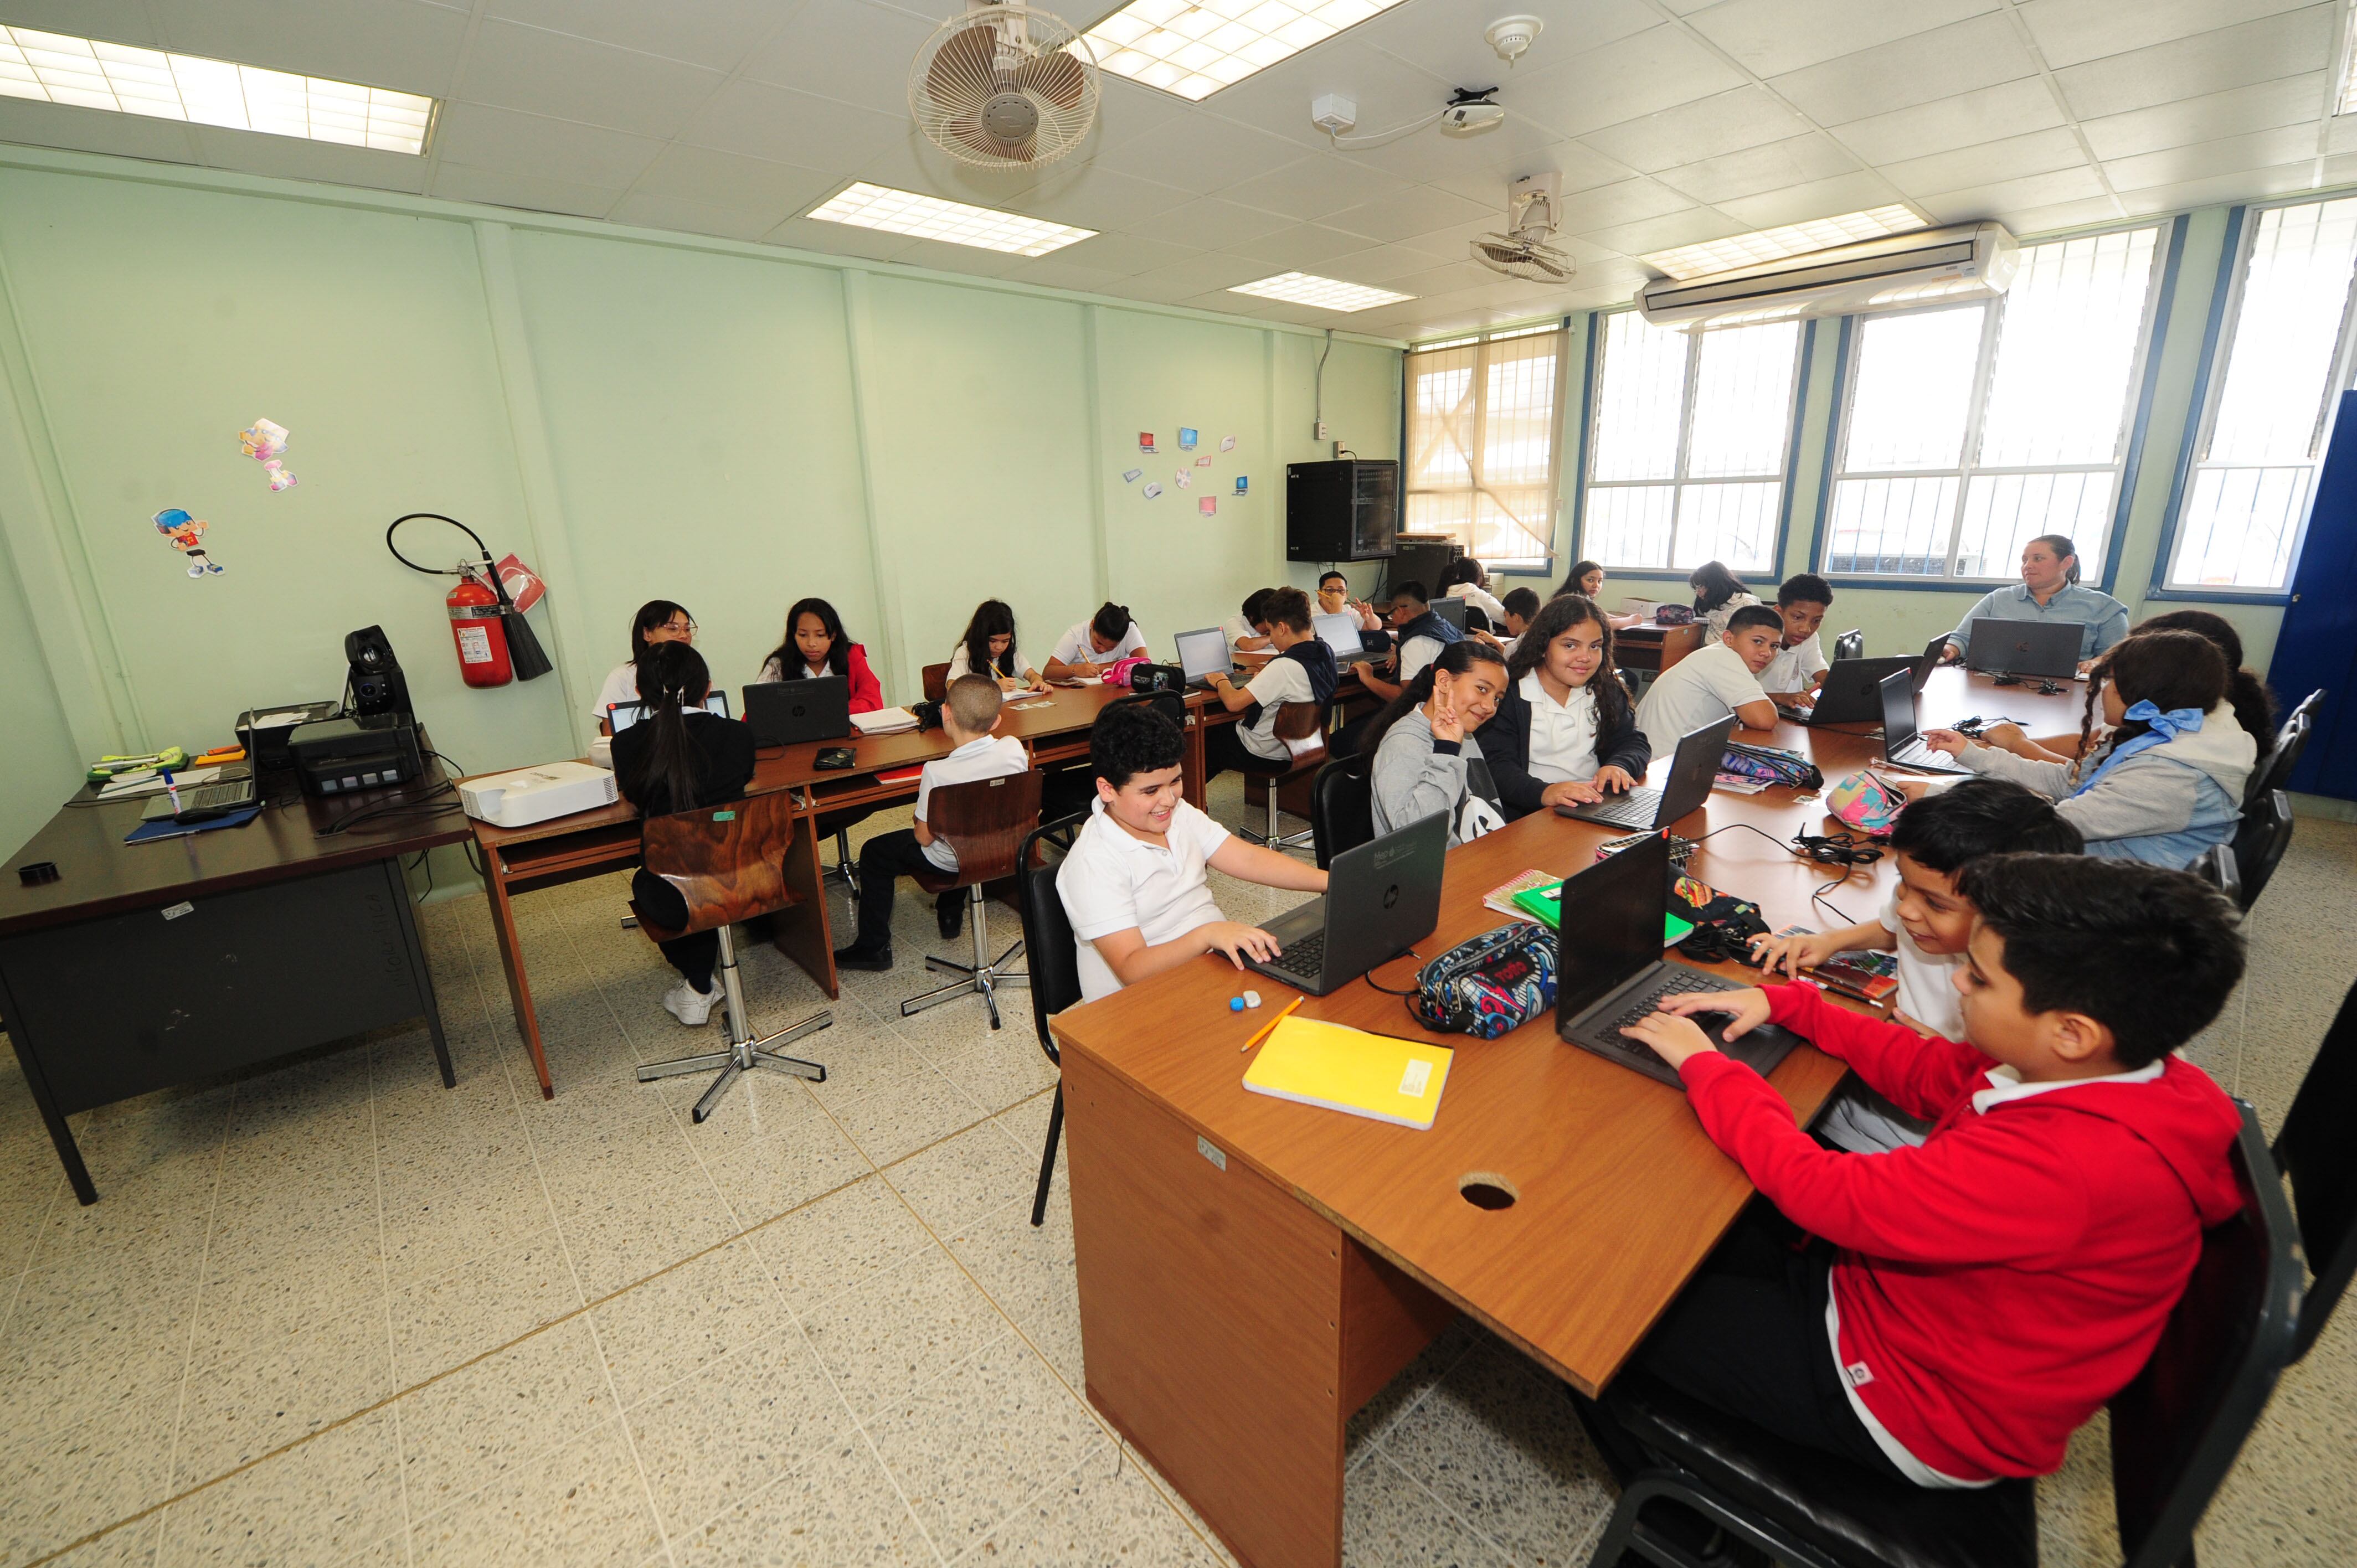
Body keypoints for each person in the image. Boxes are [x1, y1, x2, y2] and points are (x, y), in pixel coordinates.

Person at [1599, 854, 2243, 1487]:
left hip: (1910, 1404)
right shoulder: (2108, 1072)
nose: (1958, 982)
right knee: (1671, 1221)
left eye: (1981, 980)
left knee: (1609, 1311)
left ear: (2071, 1032)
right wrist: (1792, 1006)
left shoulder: (2067, 1167)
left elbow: (1822, 1192)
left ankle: (1676, 1510)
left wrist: (1706, 1067)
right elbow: (1925, 1071)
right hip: (1900, 1309)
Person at [1751, 778, 2085, 1153]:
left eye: (1936, 905)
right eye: (1903, 886)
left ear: (2009, 912)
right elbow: (1892, 928)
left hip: (1902, 1139)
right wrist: (1830, 941)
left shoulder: (2022, 997)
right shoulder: (1925, 903)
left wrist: (1957, 1066)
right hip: (1863, 1083)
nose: (1907, 909)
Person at [1056, 702, 1329, 1003]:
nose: (1168, 800)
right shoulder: (1093, 862)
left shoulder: (1177, 813)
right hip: (1138, 1005)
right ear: (1107, 790)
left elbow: (1247, 858)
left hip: (1208, 969)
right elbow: (1132, 967)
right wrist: (1207, 934)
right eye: (1150, 791)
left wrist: (1332, 881)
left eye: (1175, 781)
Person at [1917, 631, 2253, 870]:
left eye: (2111, 683)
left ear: (2140, 693)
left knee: (1949, 868)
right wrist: (1972, 754)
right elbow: (2070, 782)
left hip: (2134, 892)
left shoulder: (2173, 773)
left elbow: (2058, 825)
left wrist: (1940, 796)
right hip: (2118, 861)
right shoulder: (2159, 733)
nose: (2103, 691)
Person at [832, 676, 1030, 972]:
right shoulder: (1014, 748)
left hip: (952, 860)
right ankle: (950, 914)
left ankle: (872, 947)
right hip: (1005, 849)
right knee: (969, 825)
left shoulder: (937, 772)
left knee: (875, 852)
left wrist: (919, 817)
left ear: (946, 713)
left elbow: (924, 838)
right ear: (996, 721)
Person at [611, 643, 756, 1027]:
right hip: (745, 875)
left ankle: (698, 984)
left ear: (640, 695)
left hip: (675, 894)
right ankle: (699, 983)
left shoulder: (626, 745)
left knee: (651, 880)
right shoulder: (738, 736)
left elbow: (635, 797)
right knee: (702, 873)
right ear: (708, 688)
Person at [1978, 608, 2274, 766]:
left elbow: (2079, 779)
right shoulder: (2175, 705)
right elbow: (2096, 740)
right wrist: (2006, 744)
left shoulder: (2178, 740)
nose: (2108, 687)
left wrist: (2018, 746)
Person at [1477, 594, 1650, 820]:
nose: (1585, 657)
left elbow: (1632, 741)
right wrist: (1546, 792)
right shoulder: (1510, 694)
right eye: (1570, 645)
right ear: (1542, 646)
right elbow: (1496, 767)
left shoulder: (1603, 688)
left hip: (1593, 805)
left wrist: (1620, 765)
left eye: (1595, 646)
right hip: (1531, 812)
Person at [1367, 639, 1511, 847]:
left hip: (1481, 858)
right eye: (1482, 689)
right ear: (1444, 681)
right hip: (1441, 872)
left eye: (1497, 698)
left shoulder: (1464, 731)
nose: (1490, 706)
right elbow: (1418, 838)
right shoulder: (1403, 744)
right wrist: (1446, 751)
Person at [1202, 587, 1336, 782]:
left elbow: (1233, 703)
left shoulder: (1284, 666)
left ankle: (1189, 803)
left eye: (1271, 631)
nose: (1271, 638)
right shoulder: (1325, 652)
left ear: (1282, 628)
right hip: (1304, 745)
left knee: (1202, 741)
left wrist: (1222, 681)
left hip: (1266, 752)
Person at [1941, 534, 2127, 669]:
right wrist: (1949, 650)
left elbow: (2120, 656)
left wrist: (2097, 662)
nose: (2028, 566)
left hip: (2069, 693)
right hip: (1997, 685)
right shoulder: (1999, 598)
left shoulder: (2104, 607)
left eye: (2038, 559)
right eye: (2024, 560)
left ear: (2066, 563)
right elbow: (1962, 638)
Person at [1633, 604, 1780, 757]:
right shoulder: (1723, 659)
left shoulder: (1720, 654)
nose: (1767, 652)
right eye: (1758, 641)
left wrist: (1780, 698)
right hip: (1660, 766)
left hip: (1658, 757)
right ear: (1729, 639)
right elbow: (1765, 720)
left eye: (1775, 646)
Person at [757, 597, 883, 712]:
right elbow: (758, 707)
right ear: (793, 635)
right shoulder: (779, 664)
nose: (811, 643)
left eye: (820, 635)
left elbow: (872, 701)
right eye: (803, 635)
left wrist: (829, 711)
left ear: (833, 635)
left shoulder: (852, 657)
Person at [593, 600, 696, 735]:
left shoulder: (696, 672)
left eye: (687, 629)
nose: (684, 636)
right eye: (673, 628)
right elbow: (610, 739)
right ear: (647, 634)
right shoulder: (622, 677)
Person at [1760, 573, 1833, 706]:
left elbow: (1822, 676)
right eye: (1798, 617)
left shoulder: (1808, 639)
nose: (1806, 629)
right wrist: (1781, 698)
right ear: (1778, 612)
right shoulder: (1754, 641)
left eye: (1816, 621)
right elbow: (1736, 692)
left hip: (1788, 718)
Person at [945, 599, 1044, 692]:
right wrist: (993, 687)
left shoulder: (1009, 652)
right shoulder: (965, 653)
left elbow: (1032, 674)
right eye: (993, 641)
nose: (999, 647)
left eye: (1005, 641)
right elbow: (952, 687)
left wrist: (1038, 682)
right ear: (981, 636)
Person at [1046, 602, 1147, 681]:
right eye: (1099, 643)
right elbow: (1047, 673)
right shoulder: (1075, 636)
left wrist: (1098, 668)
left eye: (1111, 648)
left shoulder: (1129, 629)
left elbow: (1143, 664)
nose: (1102, 650)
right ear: (1093, 624)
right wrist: (1076, 670)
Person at [1688, 561, 1762, 642]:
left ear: (1714, 584)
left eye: (1700, 587)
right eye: (1695, 589)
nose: (1698, 592)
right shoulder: (1708, 602)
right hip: (1711, 650)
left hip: (1735, 651)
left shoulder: (1747, 603)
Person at [1476, 586, 1542, 659]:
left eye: (1506, 615)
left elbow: (1508, 663)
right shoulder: (1541, 636)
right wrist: (1494, 641)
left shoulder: (1518, 645)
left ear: (1516, 617)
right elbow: (1510, 655)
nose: (1505, 620)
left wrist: (1482, 649)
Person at [1439, 558, 1507, 626]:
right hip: (1480, 636)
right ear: (1478, 577)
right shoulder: (1481, 596)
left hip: (1452, 635)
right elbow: (1506, 618)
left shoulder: (1445, 593)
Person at [1317, 570, 1381, 632]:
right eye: (1330, 590)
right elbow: (1334, 632)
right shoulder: (1310, 613)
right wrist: (1337, 604)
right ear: (1320, 594)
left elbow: (1375, 628)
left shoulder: (1348, 611)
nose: (1336, 595)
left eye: (1341, 590)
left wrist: (1370, 618)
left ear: (1346, 595)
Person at [1221, 588, 1277, 653]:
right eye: (1269, 622)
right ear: (1252, 618)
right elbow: (1248, 645)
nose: (1271, 626)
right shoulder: (1234, 623)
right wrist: (1275, 637)